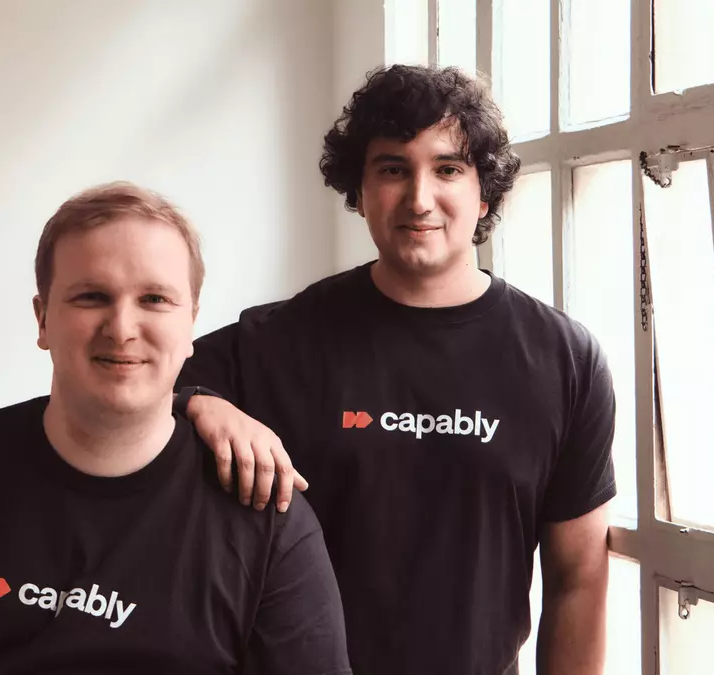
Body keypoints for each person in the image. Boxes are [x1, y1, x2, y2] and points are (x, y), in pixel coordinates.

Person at [176, 65, 616, 675]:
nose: (419, 198)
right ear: (358, 192)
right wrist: (202, 401)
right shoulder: (280, 341)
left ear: (484, 193)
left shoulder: (565, 359)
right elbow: (147, 382)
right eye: (392, 169)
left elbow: (578, 579)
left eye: (448, 169)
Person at [0, 182, 352, 675]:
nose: (122, 328)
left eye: (154, 299)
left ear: (191, 323)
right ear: (42, 319)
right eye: (92, 296)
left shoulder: (265, 518)